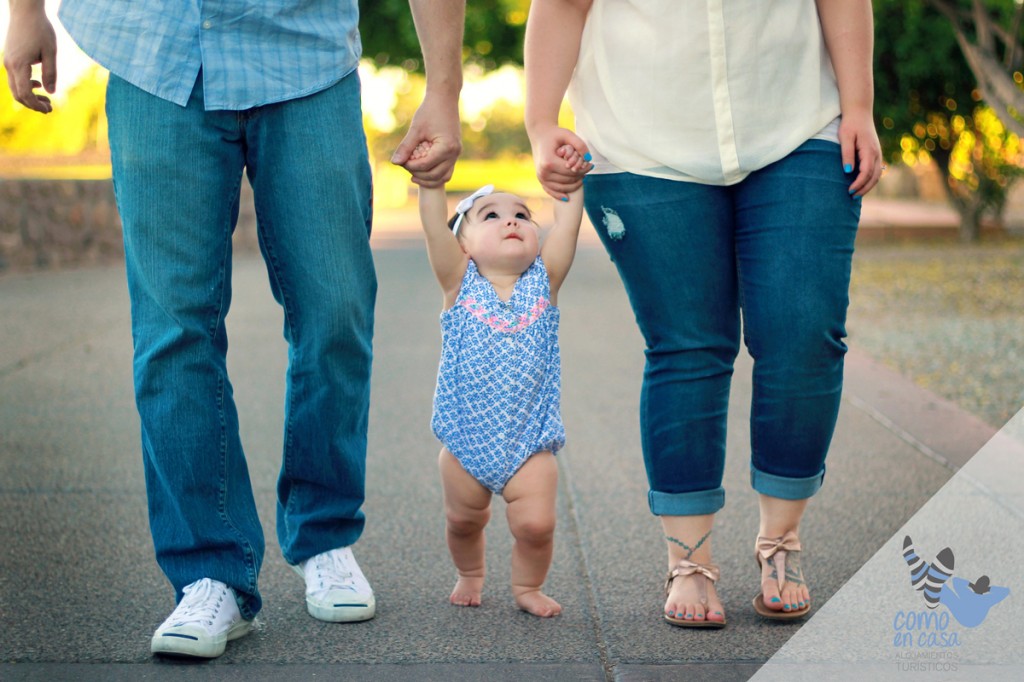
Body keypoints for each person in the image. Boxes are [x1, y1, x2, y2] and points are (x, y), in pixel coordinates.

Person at [4, 0, 465, 658]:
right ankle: (208, 570)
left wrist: (443, 87)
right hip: (154, 52)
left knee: (336, 308)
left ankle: (324, 532)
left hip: (305, 54)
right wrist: (25, 13)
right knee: (173, 330)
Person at [524, 0, 883, 627]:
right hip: (640, 142)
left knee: (803, 334)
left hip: (799, 126)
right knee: (687, 347)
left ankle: (781, 542)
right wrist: (539, 123)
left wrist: (858, 104)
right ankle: (688, 559)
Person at [415, 142, 588, 617]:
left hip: (528, 443)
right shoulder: (459, 284)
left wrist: (568, 186)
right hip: (465, 441)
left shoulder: (544, 282)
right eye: (490, 215)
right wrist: (431, 185)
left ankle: (528, 586)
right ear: (464, 245)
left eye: (522, 215)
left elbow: (568, 226)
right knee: (463, 520)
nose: (511, 220)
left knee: (536, 525)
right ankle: (470, 572)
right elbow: (434, 229)